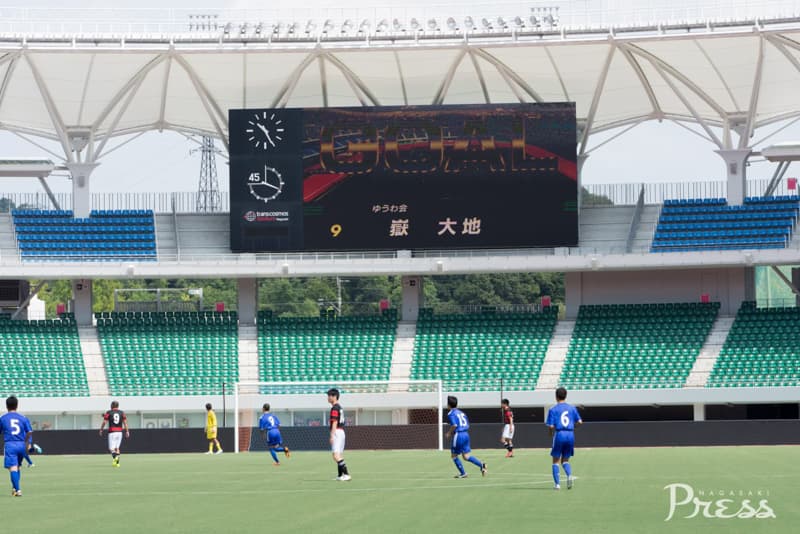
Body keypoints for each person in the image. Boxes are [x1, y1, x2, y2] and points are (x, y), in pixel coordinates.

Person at [546, 387, 582, 490]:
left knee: (555, 461)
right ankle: (569, 475)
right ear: (566, 396)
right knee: (565, 460)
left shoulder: (553, 409)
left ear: (556, 396)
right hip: (570, 434)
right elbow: (580, 422)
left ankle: (557, 485)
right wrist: (573, 427)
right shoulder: (572, 408)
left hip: (560, 434)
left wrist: (550, 433)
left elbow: (551, 426)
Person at [445, 396, 487, 479]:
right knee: (466, 456)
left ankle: (463, 473)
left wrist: (449, 433)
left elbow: (454, 425)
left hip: (459, 434)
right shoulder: (462, 413)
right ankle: (482, 465)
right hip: (466, 434)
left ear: (449, 405)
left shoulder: (451, 413)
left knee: (454, 455)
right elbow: (467, 423)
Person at [1, 395, 32, 496]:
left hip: (10, 444)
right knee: (17, 467)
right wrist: (27, 443)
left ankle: (18, 490)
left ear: (7, 406)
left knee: (12, 468)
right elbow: (29, 432)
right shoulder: (23, 418)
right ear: (17, 405)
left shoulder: (3, 418)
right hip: (21, 444)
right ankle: (14, 488)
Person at [327, 388, 350, 481]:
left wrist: (332, 435)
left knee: (335, 455)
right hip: (341, 432)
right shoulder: (339, 407)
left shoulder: (335, 408)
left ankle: (347, 474)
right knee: (339, 455)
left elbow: (335, 422)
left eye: (330, 396)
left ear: (335, 396)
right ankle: (340, 475)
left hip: (337, 431)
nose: (328, 397)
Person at [99, 400, 130, 467]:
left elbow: (104, 422)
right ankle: (117, 463)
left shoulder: (109, 412)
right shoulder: (122, 412)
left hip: (112, 432)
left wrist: (101, 429)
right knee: (117, 448)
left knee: (111, 449)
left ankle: (115, 459)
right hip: (120, 432)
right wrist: (127, 431)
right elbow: (125, 423)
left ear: (112, 405)